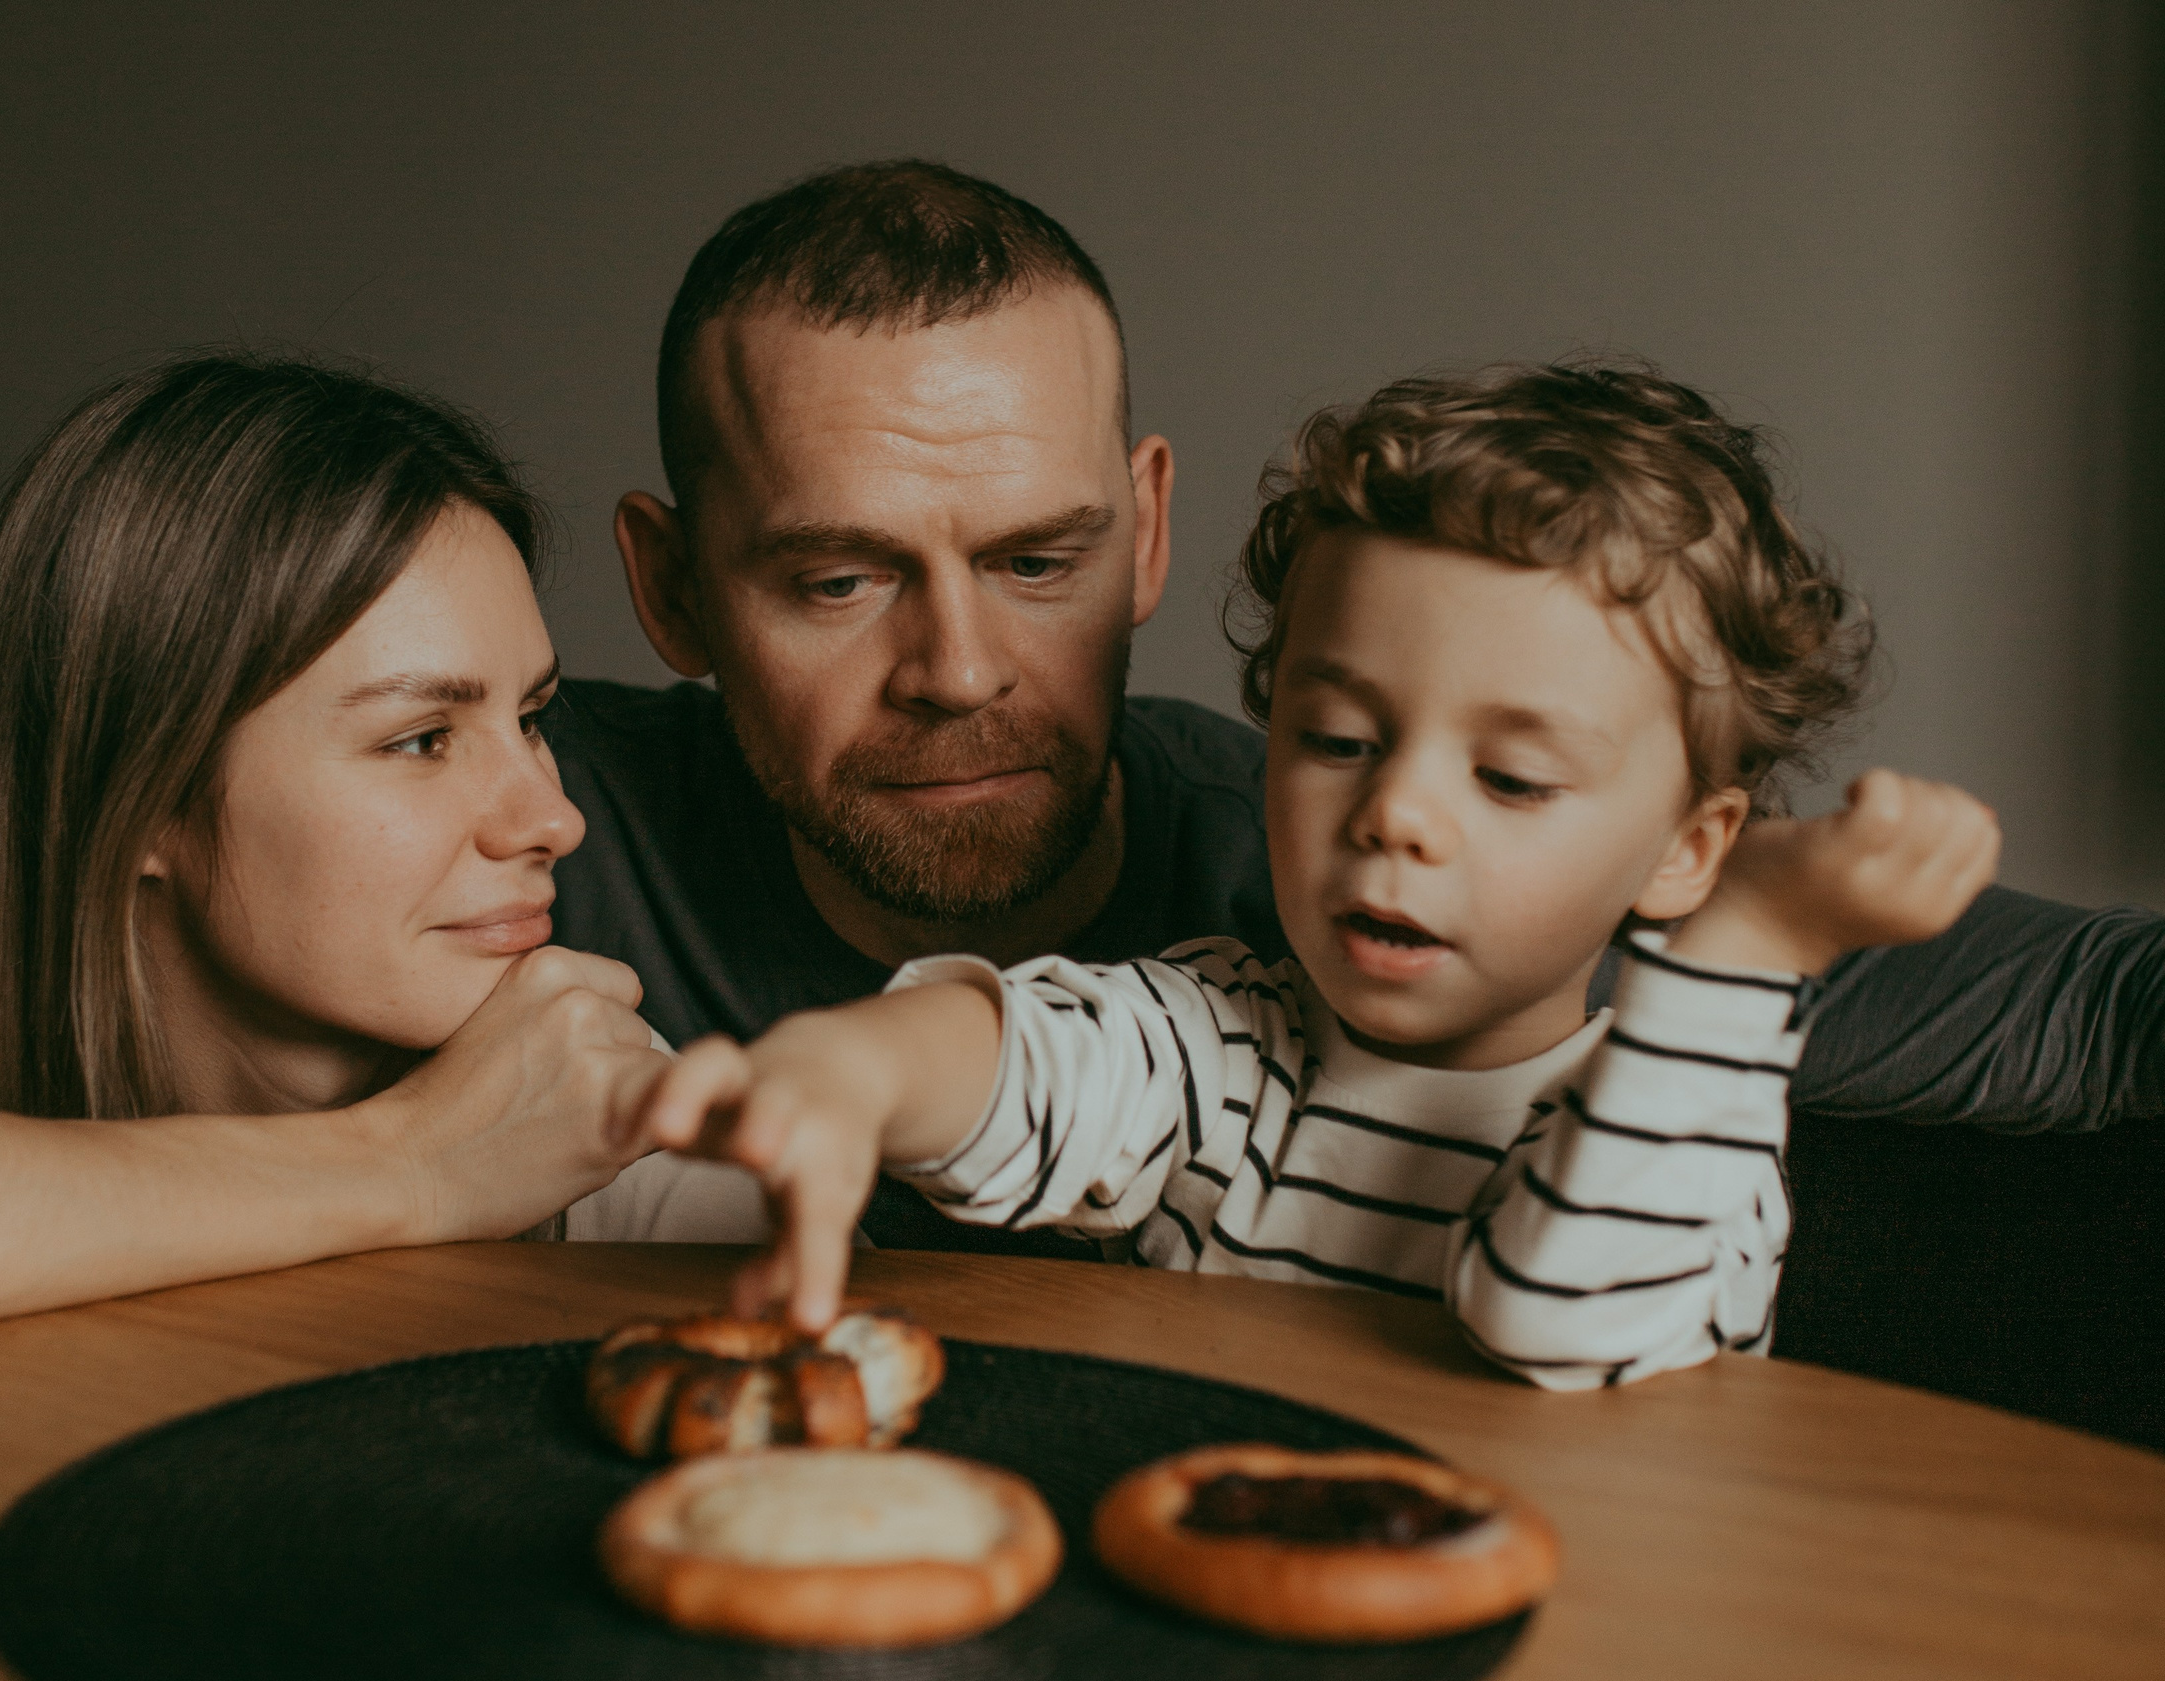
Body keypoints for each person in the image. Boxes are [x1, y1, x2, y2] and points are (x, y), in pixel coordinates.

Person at [546, 158, 2165, 1267]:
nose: (961, 669)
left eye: (1040, 561)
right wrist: (426, 1158)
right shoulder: (521, 824)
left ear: (1147, 531)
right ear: (673, 589)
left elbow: (2105, 1003)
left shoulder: (1406, 887)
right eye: (838, 580)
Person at [626, 362, 2001, 1389]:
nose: (1394, 815)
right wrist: (857, 1070)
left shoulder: (1690, 1136)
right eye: (1338, 740)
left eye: (1511, 778)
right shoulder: (1226, 1054)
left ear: (1689, 849)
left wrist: (1740, 952)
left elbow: (1552, 1320)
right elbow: (1026, 1062)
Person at [0, 356, 764, 1361]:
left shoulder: (563, 1080)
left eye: (533, 717)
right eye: (421, 739)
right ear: (144, 792)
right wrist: (413, 1165)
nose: (551, 818)